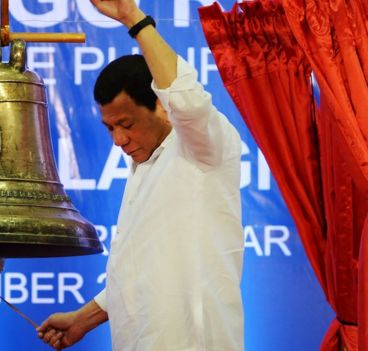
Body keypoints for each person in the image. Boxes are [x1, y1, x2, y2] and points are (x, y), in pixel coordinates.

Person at [36, 0, 245, 350]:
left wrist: (133, 18)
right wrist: (82, 320)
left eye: (127, 124)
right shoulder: (145, 166)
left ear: (160, 104)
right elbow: (138, 275)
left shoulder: (202, 146)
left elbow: (188, 101)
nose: (118, 140)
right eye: (110, 128)